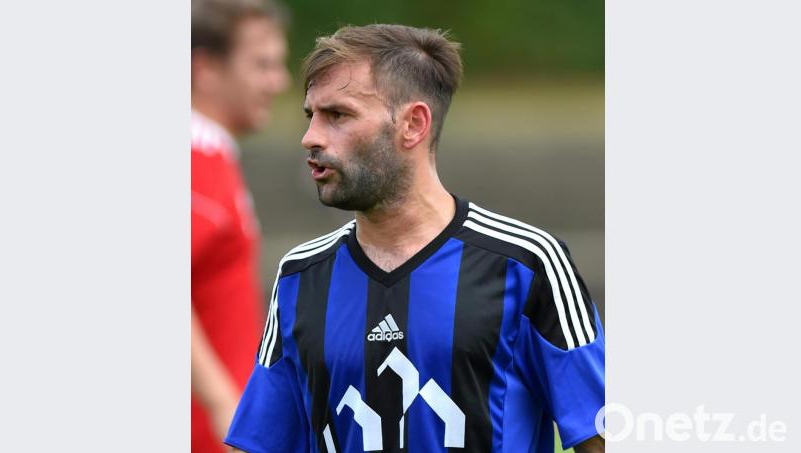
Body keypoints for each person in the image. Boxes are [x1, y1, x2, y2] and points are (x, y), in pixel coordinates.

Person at [226, 24, 604, 453]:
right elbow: (255, 444)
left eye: (338, 115)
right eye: (311, 115)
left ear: (413, 124)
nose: (310, 137)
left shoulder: (527, 263)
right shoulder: (300, 275)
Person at [191, 0, 289, 452]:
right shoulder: (196, 160)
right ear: (206, 70)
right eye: (262, 65)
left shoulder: (213, 157)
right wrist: (224, 408)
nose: (279, 82)